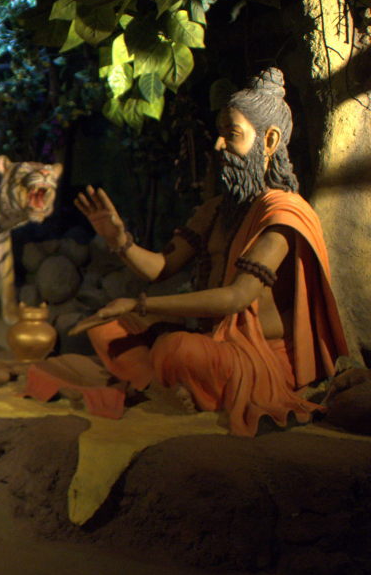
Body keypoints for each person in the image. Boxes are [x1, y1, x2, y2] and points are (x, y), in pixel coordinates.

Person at [69, 67, 348, 436]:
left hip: (259, 356)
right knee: (108, 327)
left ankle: (167, 384)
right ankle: (166, 387)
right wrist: (119, 240)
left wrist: (142, 305)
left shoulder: (283, 214)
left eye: (231, 134)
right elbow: (160, 268)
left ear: (269, 141)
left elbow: (236, 298)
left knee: (176, 349)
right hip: (212, 341)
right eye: (219, 134)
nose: (219, 146)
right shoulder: (217, 210)